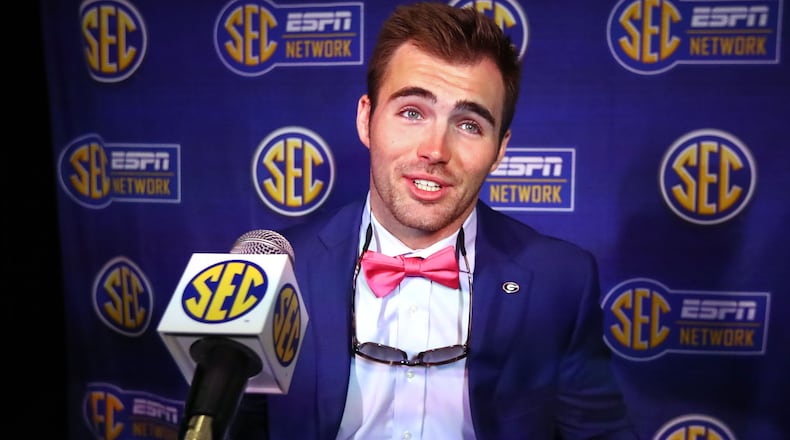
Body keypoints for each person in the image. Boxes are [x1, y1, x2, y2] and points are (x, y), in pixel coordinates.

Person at [231, 2, 637, 439]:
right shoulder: (277, 268)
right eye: (411, 112)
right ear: (367, 119)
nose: (435, 150)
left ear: (500, 150)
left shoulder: (561, 281)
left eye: (469, 125)